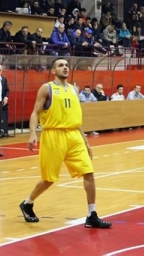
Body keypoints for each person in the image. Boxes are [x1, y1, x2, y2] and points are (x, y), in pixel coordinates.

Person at [19, 58, 112, 228]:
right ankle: (27, 203)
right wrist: (32, 133)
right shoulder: (47, 88)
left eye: (66, 65)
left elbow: (75, 119)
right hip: (53, 135)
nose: (65, 67)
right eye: (61, 65)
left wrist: (86, 141)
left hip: (74, 135)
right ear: (53, 71)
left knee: (88, 172)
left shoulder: (74, 90)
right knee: (48, 179)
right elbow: (35, 113)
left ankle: (92, 214)